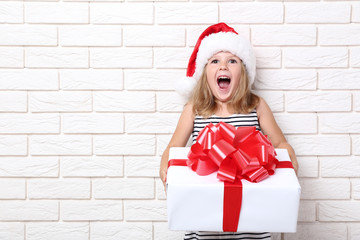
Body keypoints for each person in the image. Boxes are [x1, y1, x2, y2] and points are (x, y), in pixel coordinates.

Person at [159, 22, 299, 240]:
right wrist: (165, 167)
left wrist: (288, 155)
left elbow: (280, 144)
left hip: (251, 218)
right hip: (203, 216)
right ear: (205, 73)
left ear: (243, 72)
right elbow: (174, 149)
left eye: (231, 60)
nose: (223, 66)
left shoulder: (256, 106)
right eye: (215, 61)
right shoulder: (194, 110)